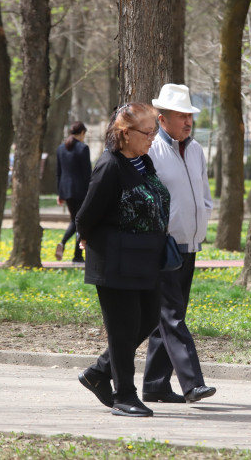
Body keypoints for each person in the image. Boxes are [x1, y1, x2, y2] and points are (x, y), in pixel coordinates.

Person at [75, 102, 169, 418]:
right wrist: (85, 236)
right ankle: (124, 396)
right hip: (115, 260)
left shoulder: (143, 162)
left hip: (144, 258)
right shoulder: (110, 166)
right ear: (126, 133)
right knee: (123, 329)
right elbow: (86, 215)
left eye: (155, 132)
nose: (153, 138)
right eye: (148, 132)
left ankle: (99, 372)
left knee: (150, 317)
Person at [142, 83, 216, 404]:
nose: (188, 121)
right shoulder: (152, 151)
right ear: (162, 120)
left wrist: (202, 222)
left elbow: (204, 195)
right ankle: (193, 383)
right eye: (181, 116)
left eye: (190, 116)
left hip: (190, 246)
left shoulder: (196, 149)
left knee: (167, 319)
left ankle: (155, 385)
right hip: (163, 247)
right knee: (173, 317)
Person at [55, 121, 92, 262]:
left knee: (75, 220)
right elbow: (87, 173)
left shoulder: (61, 149)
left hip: (66, 190)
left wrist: (60, 193)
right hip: (81, 191)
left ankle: (72, 250)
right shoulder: (83, 148)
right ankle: (75, 253)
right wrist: (91, 191)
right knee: (80, 222)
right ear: (82, 133)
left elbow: (58, 173)